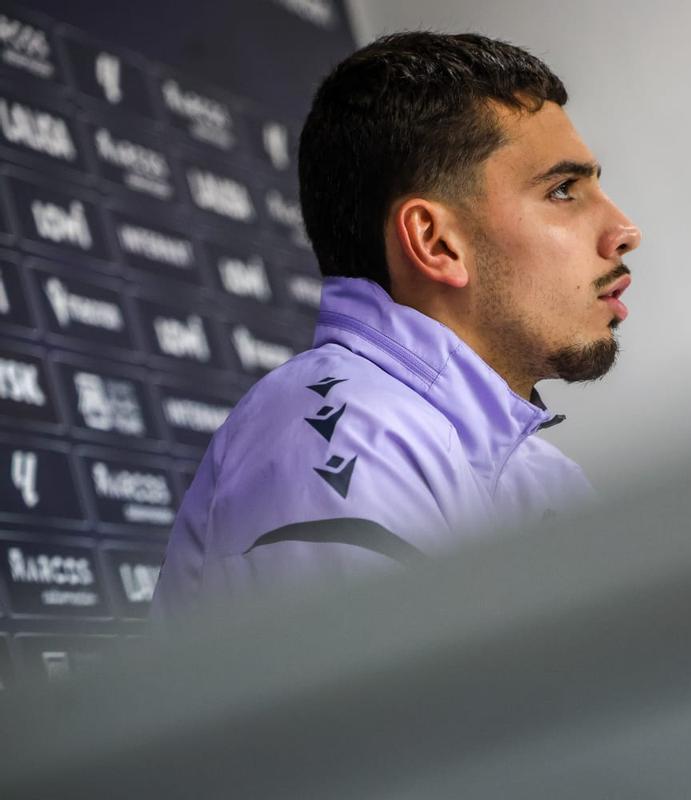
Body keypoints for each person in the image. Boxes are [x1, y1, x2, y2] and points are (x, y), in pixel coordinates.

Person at [150, 32, 642, 620]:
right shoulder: (341, 430)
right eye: (563, 190)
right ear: (436, 243)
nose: (624, 230)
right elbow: (376, 712)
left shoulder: (546, 479)